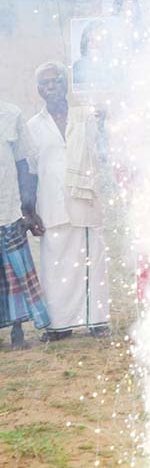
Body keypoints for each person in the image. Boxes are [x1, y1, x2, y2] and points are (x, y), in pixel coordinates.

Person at [28, 62, 110, 340]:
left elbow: (103, 148)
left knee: (92, 260)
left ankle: (97, 320)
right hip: (51, 206)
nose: (51, 87)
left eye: (57, 81)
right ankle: (59, 326)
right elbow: (29, 171)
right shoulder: (33, 126)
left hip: (85, 199)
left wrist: (104, 120)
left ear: (66, 84)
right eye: (46, 83)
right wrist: (28, 211)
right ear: (39, 90)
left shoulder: (86, 116)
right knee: (55, 266)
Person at [0, 100, 50, 348]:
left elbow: (23, 165)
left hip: (7, 206)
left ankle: (17, 329)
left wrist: (28, 209)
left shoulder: (10, 114)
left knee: (15, 273)